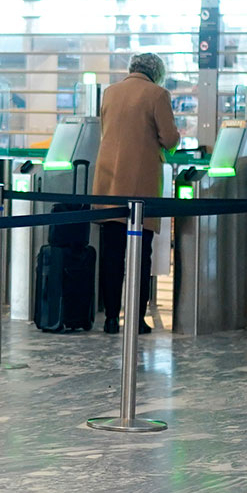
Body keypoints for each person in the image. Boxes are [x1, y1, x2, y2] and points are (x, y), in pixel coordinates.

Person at [94, 52, 179, 336]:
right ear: (157, 72)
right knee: (140, 256)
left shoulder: (110, 92)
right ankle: (136, 319)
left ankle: (109, 319)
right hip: (140, 188)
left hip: (107, 186)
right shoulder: (157, 94)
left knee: (112, 255)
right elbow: (169, 139)